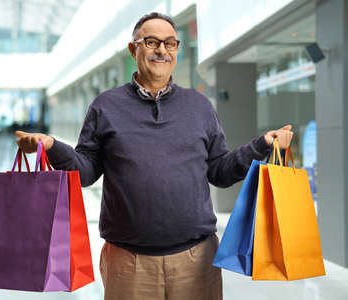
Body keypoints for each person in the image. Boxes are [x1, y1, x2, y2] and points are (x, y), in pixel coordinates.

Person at [16, 12, 293, 300]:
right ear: (133, 49)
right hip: (128, 264)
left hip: (195, 260)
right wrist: (52, 147)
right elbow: (85, 172)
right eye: (152, 42)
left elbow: (220, 172)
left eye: (170, 43)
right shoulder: (106, 106)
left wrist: (261, 145)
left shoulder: (198, 106)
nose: (162, 50)